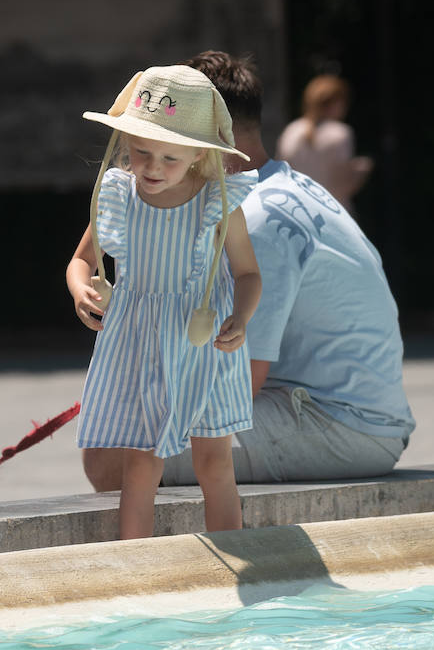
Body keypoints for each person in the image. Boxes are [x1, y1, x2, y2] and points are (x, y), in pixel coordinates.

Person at [159, 51, 412, 483]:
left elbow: (237, 391)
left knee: (119, 449)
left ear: (208, 134)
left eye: (169, 142)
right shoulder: (284, 188)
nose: (159, 159)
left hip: (338, 425)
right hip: (353, 415)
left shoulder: (255, 221)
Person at [66, 65, 261, 539]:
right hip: (141, 345)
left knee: (214, 463)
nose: (152, 167)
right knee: (140, 466)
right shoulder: (117, 195)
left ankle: (232, 560)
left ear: (199, 155)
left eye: (170, 158)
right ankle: (138, 568)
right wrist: (80, 289)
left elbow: (249, 274)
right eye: (141, 152)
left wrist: (242, 315)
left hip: (207, 343)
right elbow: (79, 259)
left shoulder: (218, 201)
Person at [276, 73, 372, 212]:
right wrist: (360, 171)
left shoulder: (291, 131)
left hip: (298, 210)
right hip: (332, 211)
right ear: (335, 102)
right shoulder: (340, 133)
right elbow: (341, 184)